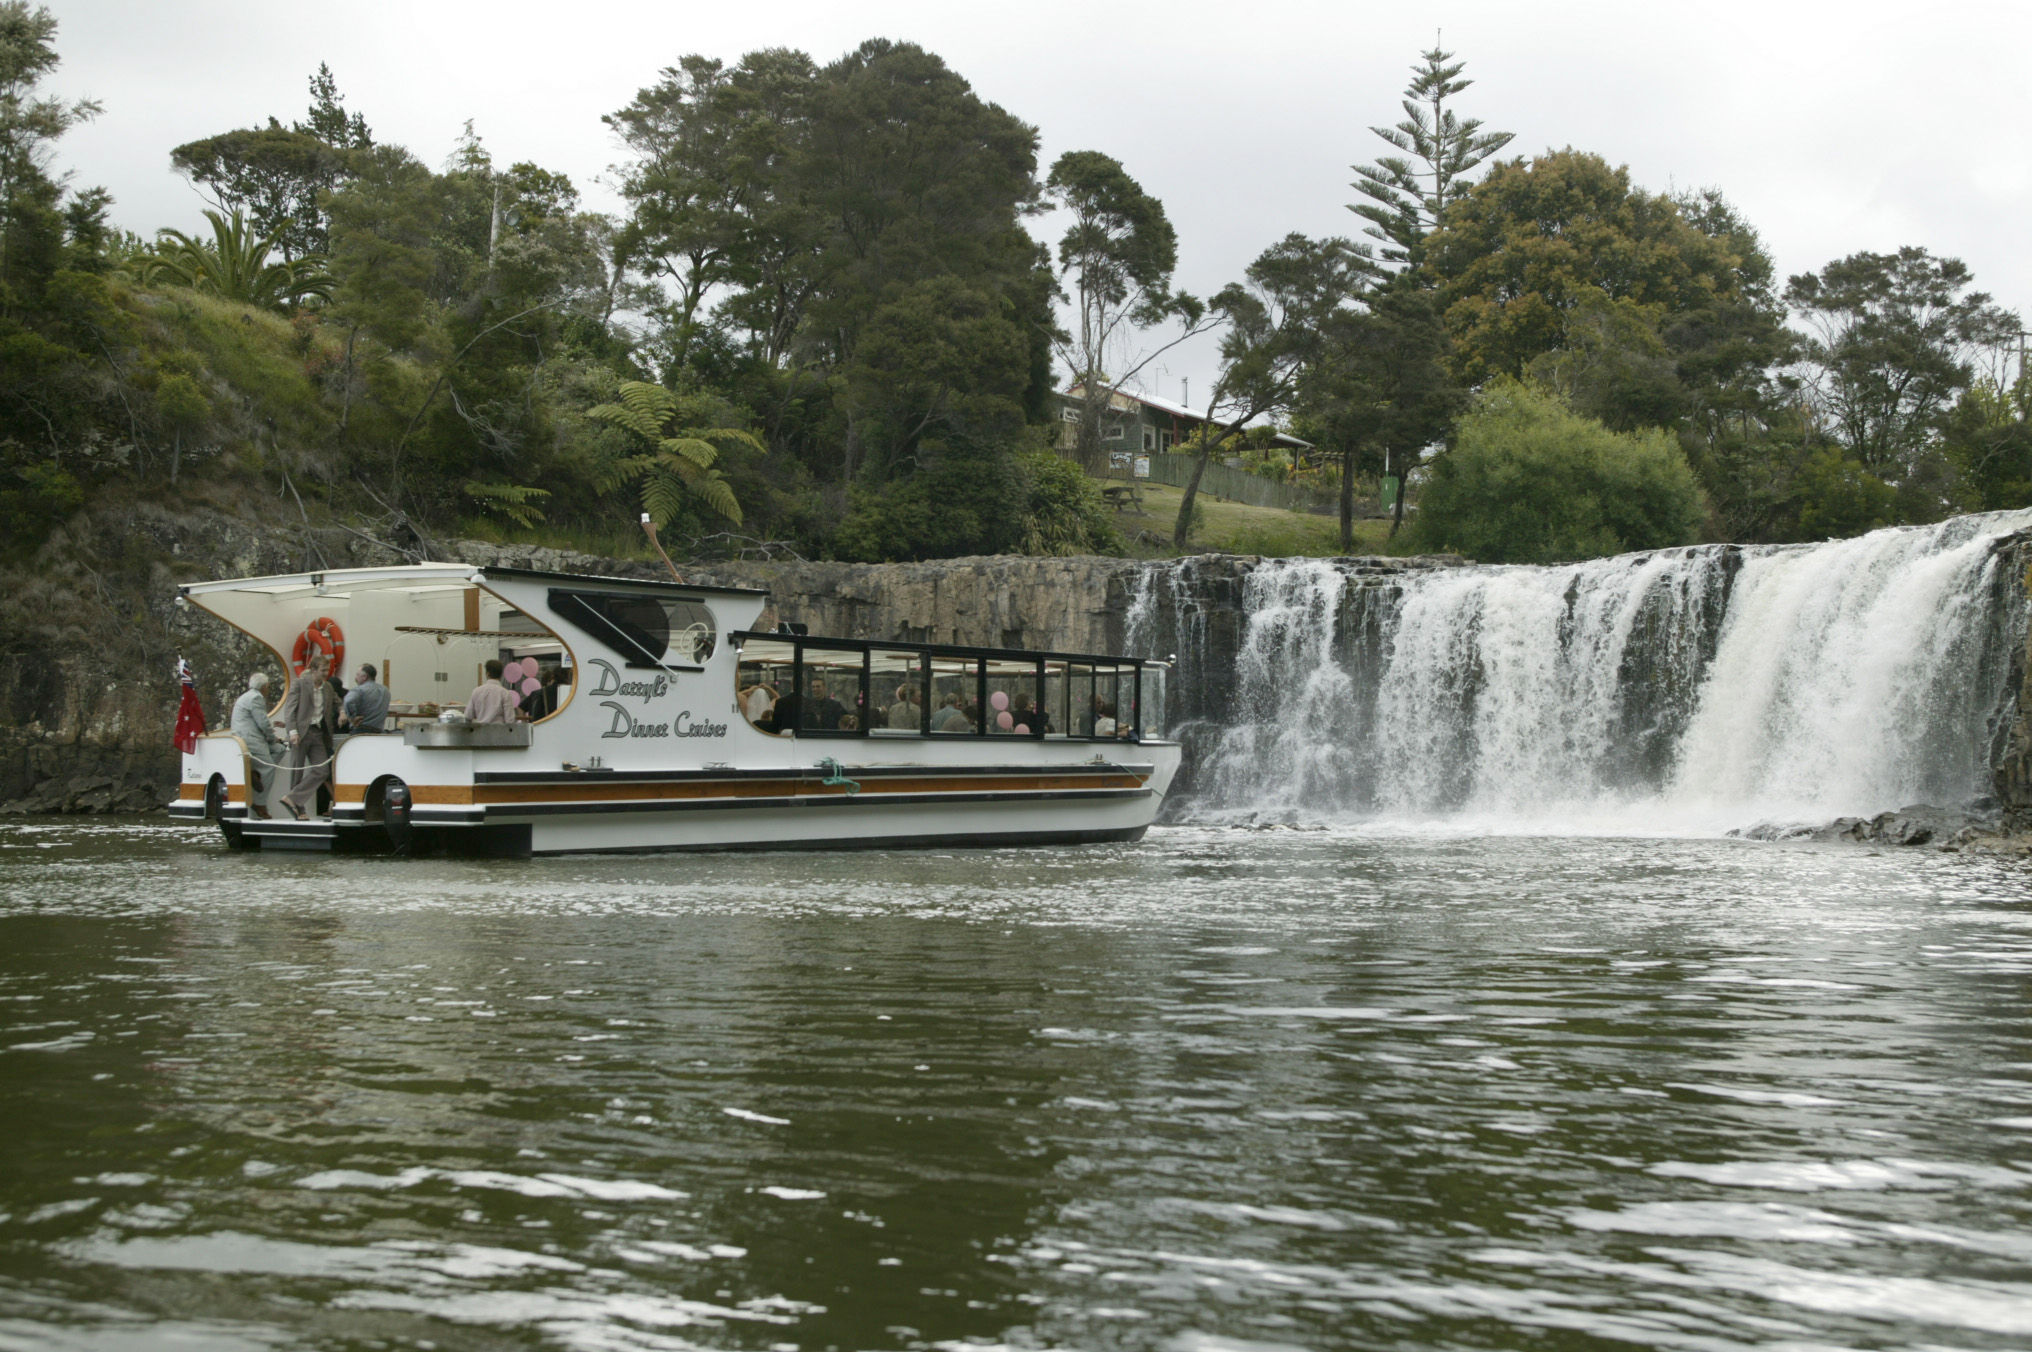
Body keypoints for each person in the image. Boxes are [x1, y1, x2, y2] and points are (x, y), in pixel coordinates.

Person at [277, 654, 338, 821]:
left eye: (327, 670)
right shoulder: (299, 684)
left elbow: (337, 702)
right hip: (300, 733)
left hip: (318, 733)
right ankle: (299, 809)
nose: (326, 673)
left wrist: (344, 712)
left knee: (322, 770)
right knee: (297, 771)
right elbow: (289, 710)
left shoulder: (328, 688)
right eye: (323, 670)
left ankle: (292, 798)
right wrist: (292, 732)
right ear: (313, 670)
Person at [230, 672, 283, 819]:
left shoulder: (245, 696)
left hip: (247, 738)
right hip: (250, 741)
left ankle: (255, 772)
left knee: (280, 750)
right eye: (268, 687)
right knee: (269, 767)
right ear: (264, 687)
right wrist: (273, 739)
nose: (268, 690)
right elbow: (263, 723)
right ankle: (259, 803)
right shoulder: (256, 697)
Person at [341, 662, 390, 733]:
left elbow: (348, 701)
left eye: (357, 675)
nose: (356, 677)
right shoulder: (386, 691)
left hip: (360, 731)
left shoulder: (359, 690)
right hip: (379, 732)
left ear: (364, 677)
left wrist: (352, 717)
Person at [466, 659, 518, 724]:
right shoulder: (505, 693)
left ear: (487, 674)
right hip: (499, 732)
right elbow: (510, 721)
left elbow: (468, 716)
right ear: (501, 675)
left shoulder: (476, 691)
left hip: (479, 732)